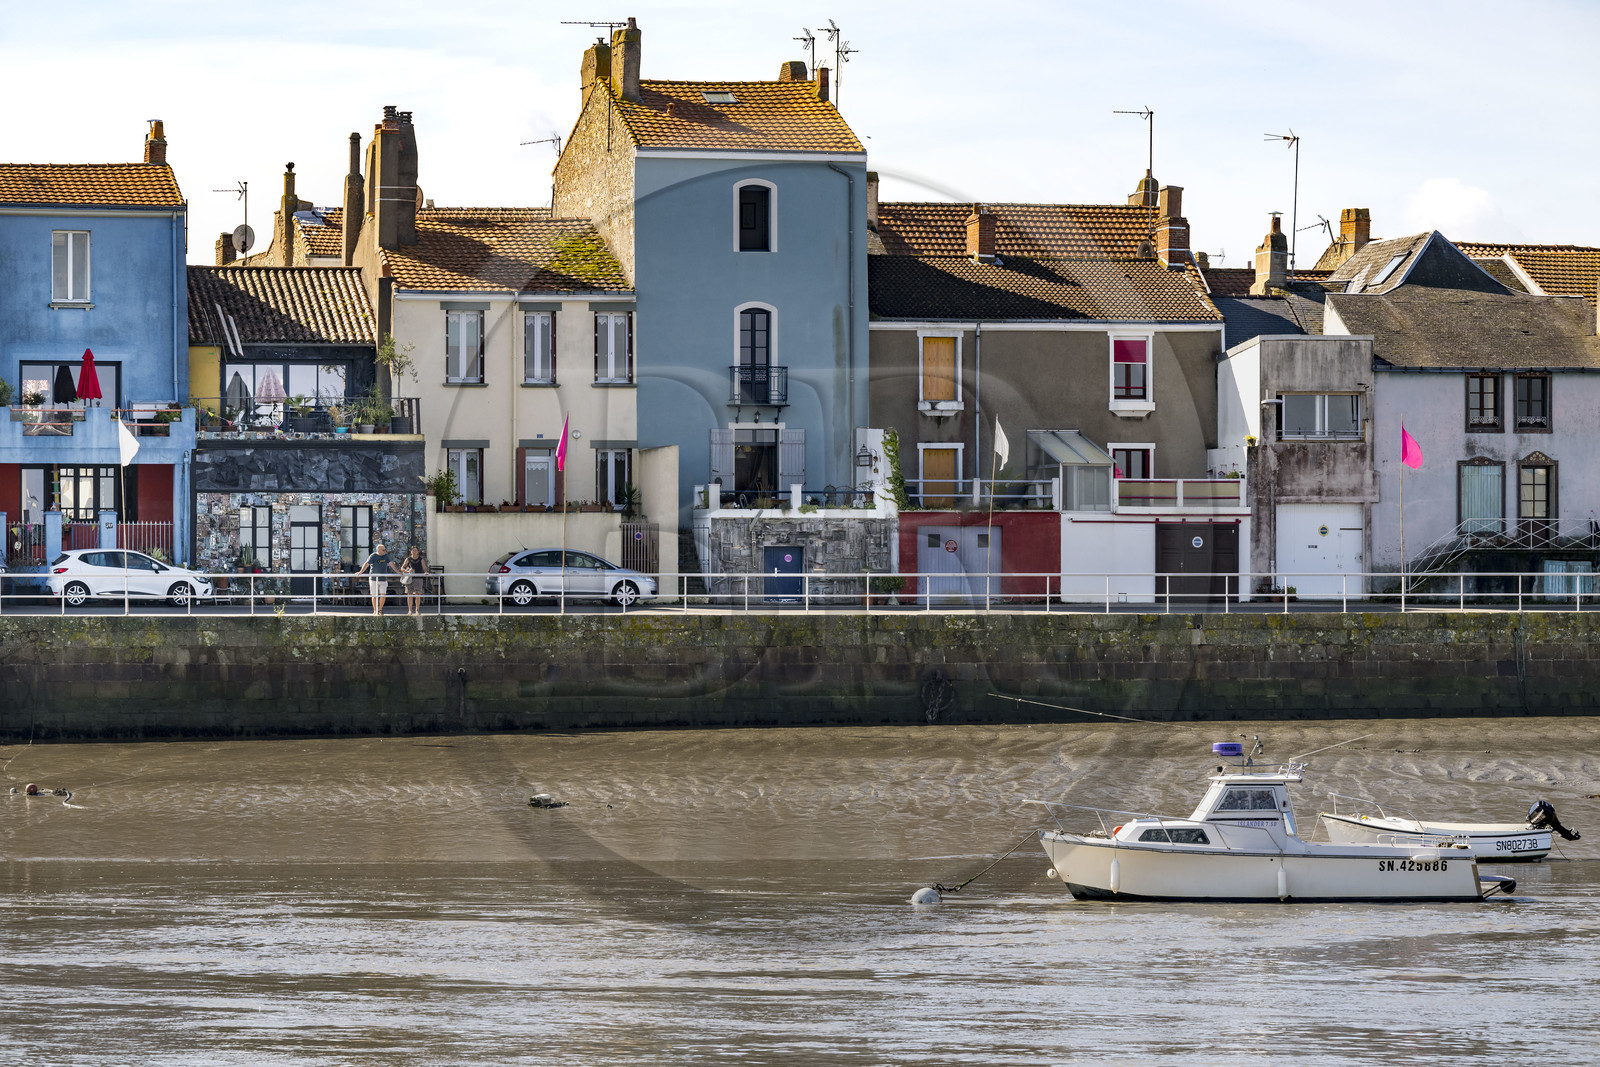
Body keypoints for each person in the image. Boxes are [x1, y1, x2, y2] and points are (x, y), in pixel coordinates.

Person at [356, 541, 394, 615]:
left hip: (383, 579)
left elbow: (391, 564)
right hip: (373, 579)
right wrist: (361, 572)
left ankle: (380, 610)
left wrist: (398, 572)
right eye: (383, 550)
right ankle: (375, 610)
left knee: (383, 594)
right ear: (378, 550)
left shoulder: (386, 556)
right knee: (374, 595)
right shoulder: (373, 556)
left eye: (385, 550)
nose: (385, 551)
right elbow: (367, 564)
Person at [400, 544, 428, 616]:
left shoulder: (421, 559)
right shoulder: (408, 559)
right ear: (411, 551)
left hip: (418, 578)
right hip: (410, 579)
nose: (414, 552)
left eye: (416, 550)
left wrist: (426, 572)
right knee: (410, 594)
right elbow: (402, 568)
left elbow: (424, 567)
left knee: (418, 594)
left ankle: (417, 610)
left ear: (418, 551)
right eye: (413, 550)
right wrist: (407, 571)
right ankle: (410, 610)